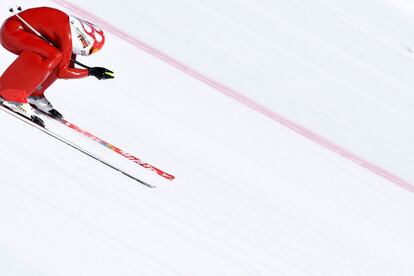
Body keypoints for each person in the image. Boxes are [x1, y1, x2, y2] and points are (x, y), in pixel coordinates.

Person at [0, 6, 114, 125]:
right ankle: (12, 94)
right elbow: (62, 72)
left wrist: (92, 71)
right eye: (93, 50)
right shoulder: (66, 35)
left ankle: (34, 93)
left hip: (16, 30)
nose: (91, 52)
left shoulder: (69, 32)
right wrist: (91, 72)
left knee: (57, 56)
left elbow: (68, 66)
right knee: (53, 55)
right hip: (12, 31)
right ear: (84, 40)